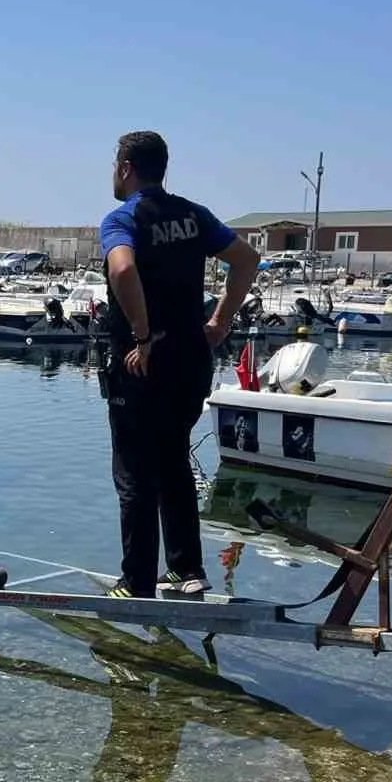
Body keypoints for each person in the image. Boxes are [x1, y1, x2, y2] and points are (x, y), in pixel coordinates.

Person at [100, 131, 259, 599]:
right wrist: (220, 322)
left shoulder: (123, 217)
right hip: (191, 358)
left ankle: (136, 582)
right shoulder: (194, 214)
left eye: (114, 164)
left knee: (134, 472)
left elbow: (123, 269)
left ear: (126, 167)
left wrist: (143, 335)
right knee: (174, 462)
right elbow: (247, 260)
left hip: (141, 363)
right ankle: (188, 570)